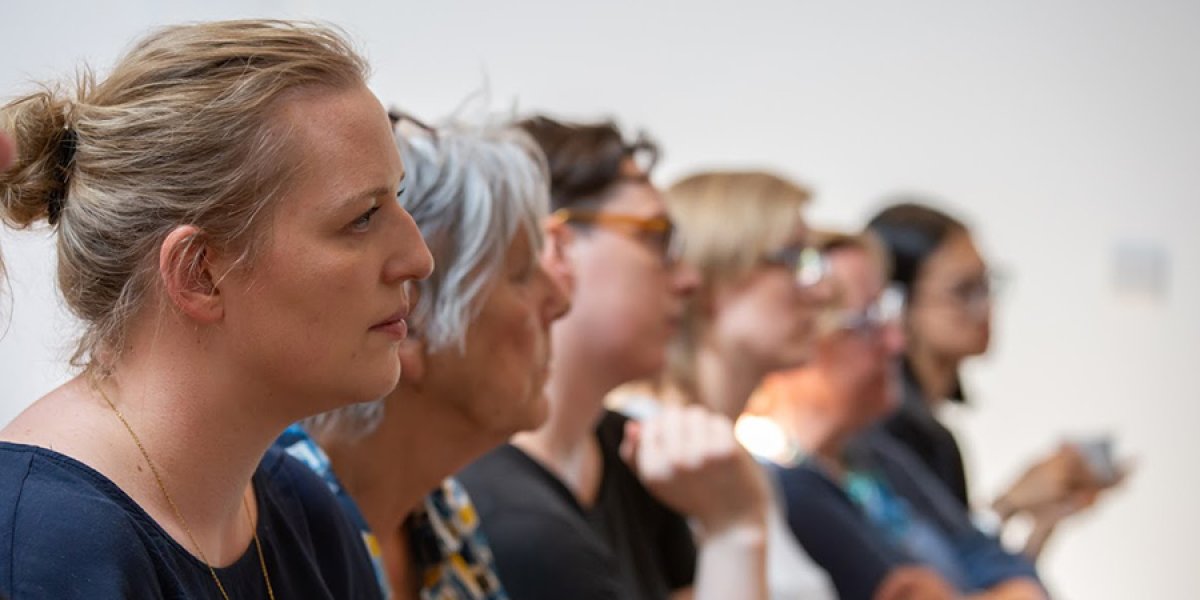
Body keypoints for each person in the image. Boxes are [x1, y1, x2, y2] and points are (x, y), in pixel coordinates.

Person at [0, 20, 433, 598]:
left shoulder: (301, 509)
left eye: (397, 201)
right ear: (199, 273)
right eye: (361, 218)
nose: (418, 258)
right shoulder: (47, 551)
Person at [458, 116, 771, 600]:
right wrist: (735, 531)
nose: (688, 278)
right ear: (550, 246)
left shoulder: (631, 453)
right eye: (656, 236)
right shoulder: (493, 505)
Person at [279, 118, 570, 598]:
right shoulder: (275, 527)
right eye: (520, 275)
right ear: (409, 316)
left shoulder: (441, 511)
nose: (561, 300)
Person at [754, 232, 1045, 600]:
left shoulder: (877, 457)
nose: (896, 340)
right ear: (804, 336)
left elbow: (1008, 569)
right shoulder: (786, 482)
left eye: (888, 315)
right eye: (868, 321)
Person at [867, 201, 1121, 557]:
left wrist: (1044, 522)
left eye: (986, 284)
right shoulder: (884, 433)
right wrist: (1009, 504)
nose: (985, 307)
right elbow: (937, 575)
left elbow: (986, 586)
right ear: (896, 304)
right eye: (963, 290)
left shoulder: (934, 434)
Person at [642, 170, 838, 600]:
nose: (821, 292)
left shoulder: (738, 458)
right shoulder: (661, 454)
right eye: (793, 259)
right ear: (710, 276)